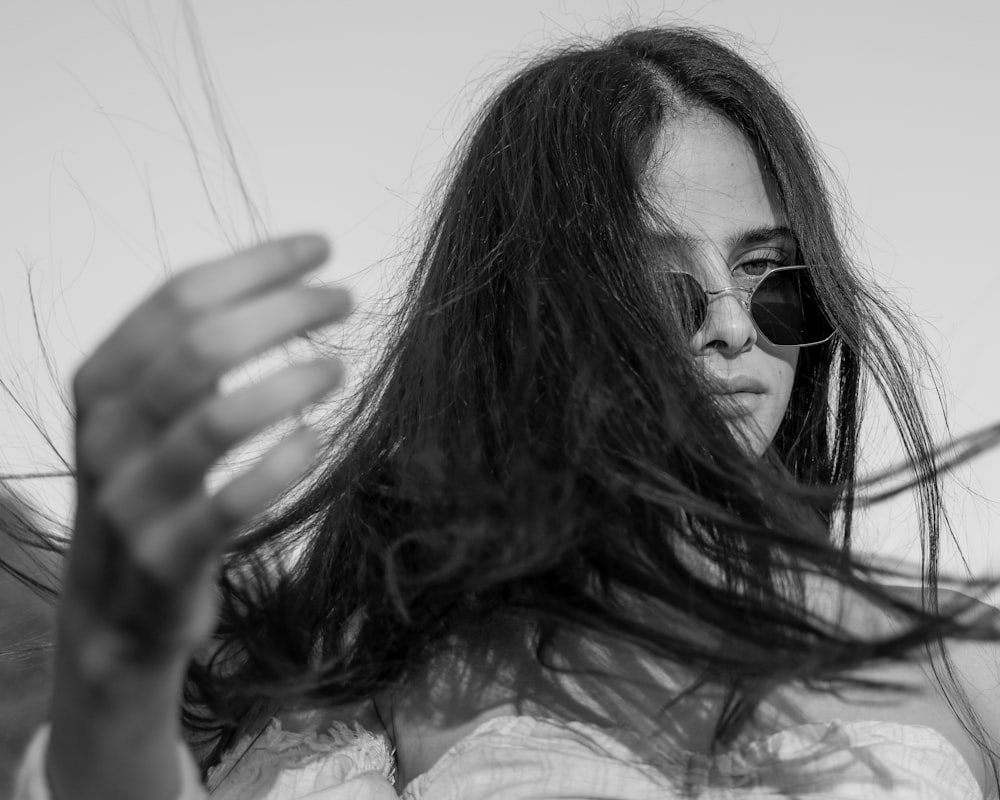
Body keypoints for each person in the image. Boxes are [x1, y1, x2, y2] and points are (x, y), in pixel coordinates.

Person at [9, 24, 1000, 800]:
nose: (736, 327)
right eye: (661, 287)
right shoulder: (337, 659)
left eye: (767, 275)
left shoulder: (961, 662)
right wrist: (112, 677)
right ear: (528, 316)